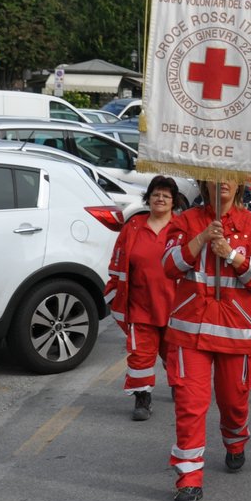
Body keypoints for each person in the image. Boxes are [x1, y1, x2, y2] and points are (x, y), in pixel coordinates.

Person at [162, 179, 251, 501]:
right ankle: (188, 478)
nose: (222, 181)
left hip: (236, 331)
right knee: (190, 406)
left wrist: (232, 256)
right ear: (203, 180)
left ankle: (235, 440)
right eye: (215, 175)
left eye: (230, 175)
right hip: (189, 331)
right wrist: (200, 240)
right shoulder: (185, 221)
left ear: (239, 181)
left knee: (233, 402)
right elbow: (168, 266)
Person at [102, 175, 182, 422]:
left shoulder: (182, 228)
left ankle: (178, 385)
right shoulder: (134, 226)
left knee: (176, 354)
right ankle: (142, 398)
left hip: (176, 308)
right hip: (140, 305)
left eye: (166, 196)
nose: (160, 199)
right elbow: (117, 261)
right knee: (140, 355)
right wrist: (113, 291)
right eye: (156, 194)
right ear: (148, 197)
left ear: (173, 201)